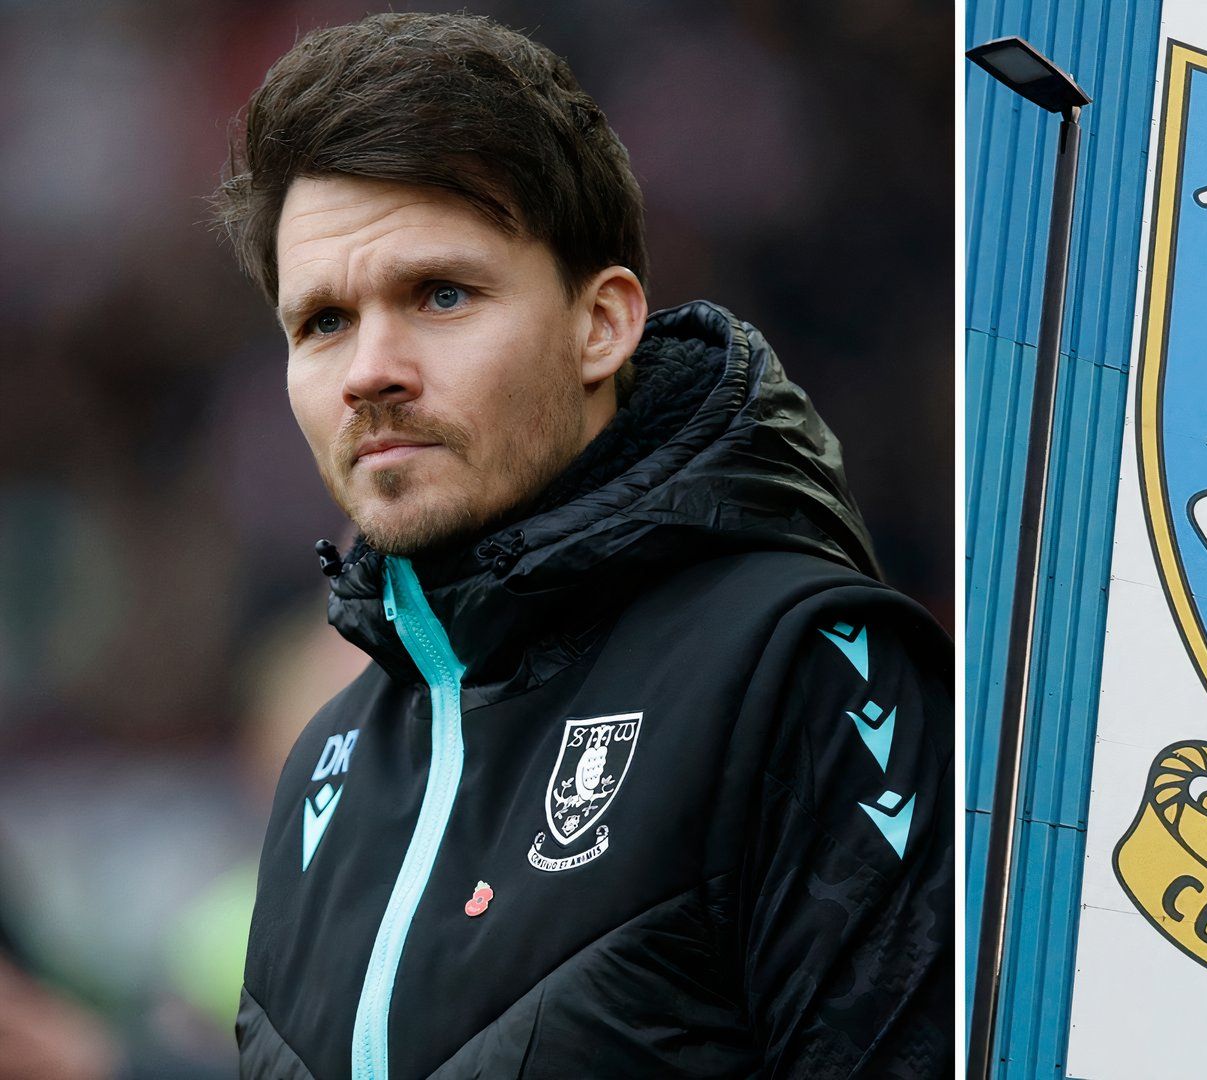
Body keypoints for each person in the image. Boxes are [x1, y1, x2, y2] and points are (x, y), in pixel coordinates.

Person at [209, 12, 953, 1078]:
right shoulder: (322, 770)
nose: (371, 368)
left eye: (442, 294)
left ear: (601, 324)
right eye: (323, 321)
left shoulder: (804, 667)